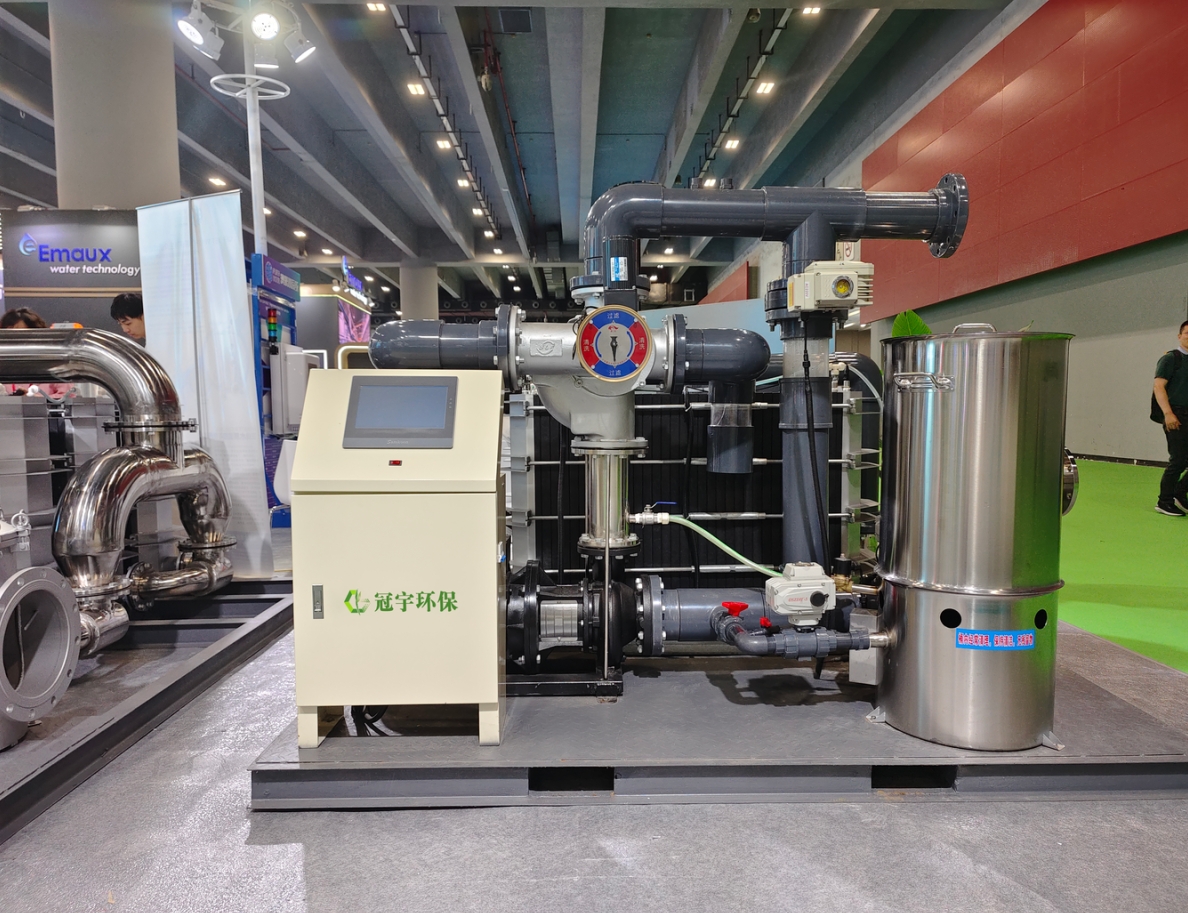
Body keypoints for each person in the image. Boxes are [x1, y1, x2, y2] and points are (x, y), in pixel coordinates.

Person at [1153, 320, 1188, 515]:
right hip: (1176, 414)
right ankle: (1164, 501)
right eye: (1187, 333)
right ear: (1179, 336)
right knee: (1179, 460)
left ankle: (1180, 494)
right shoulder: (1170, 359)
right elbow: (1158, 386)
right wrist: (1168, 414)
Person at [0, 308, 70, 399]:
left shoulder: (55, 364)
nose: (15, 340)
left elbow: (70, 397)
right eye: (9, 335)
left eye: (20, 335)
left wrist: (36, 399)